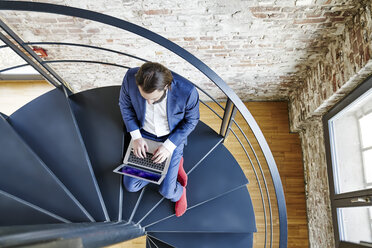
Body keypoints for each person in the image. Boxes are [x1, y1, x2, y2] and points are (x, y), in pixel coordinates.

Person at [119, 62, 200, 217]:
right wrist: (136, 137)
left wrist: (168, 147)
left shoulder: (188, 91)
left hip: (171, 138)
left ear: (167, 86)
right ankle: (167, 169)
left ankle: (180, 189)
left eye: (154, 99)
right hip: (143, 135)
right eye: (144, 97)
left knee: (167, 191)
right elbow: (125, 105)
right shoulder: (130, 77)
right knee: (131, 185)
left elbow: (192, 121)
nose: (149, 102)